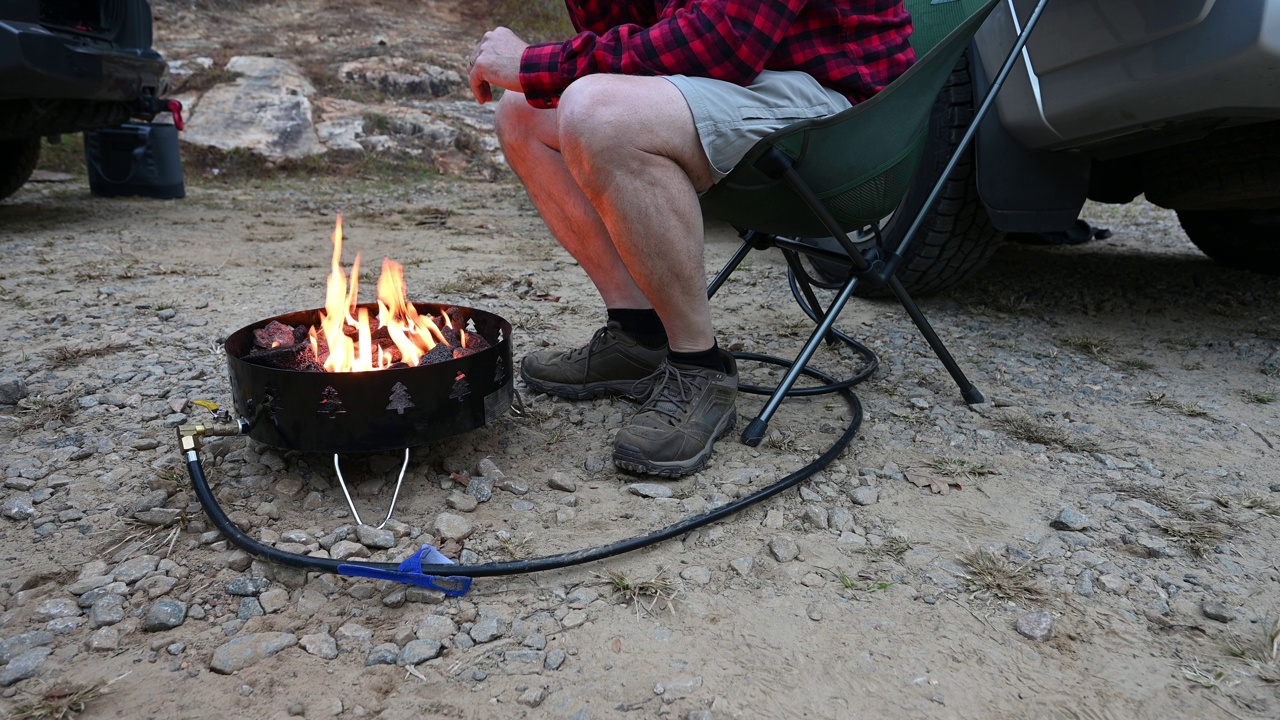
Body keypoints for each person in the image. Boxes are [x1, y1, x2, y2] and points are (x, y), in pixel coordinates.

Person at [468, 1, 914, 478]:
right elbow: (628, 31)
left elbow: (726, 40)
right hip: (748, 81)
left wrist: (536, 64)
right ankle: (638, 334)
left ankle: (700, 368)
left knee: (598, 112)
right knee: (522, 113)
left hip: (843, 115)